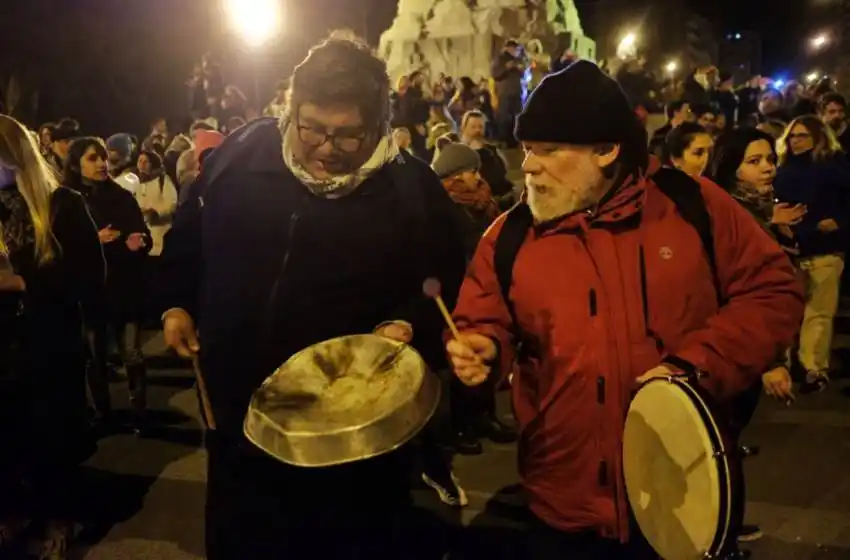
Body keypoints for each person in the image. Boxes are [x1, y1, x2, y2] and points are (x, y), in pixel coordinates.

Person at [446, 60, 804, 559]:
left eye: (548, 152)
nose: (527, 166)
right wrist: (483, 347)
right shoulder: (507, 236)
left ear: (607, 151)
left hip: (684, 489)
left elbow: (773, 291)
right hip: (562, 500)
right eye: (528, 150)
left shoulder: (691, 204)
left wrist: (692, 369)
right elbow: (483, 320)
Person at [158, 32, 467, 559]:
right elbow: (191, 232)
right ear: (292, 107)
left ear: (379, 127)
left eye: (348, 136)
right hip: (239, 425)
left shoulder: (410, 192)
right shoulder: (241, 155)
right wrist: (176, 302)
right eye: (312, 128)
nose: (325, 148)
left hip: (349, 446)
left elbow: (443, 288)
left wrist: (408, 324)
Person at [0, 114, 105, 558]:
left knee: (49, 441)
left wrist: (22, 282)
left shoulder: (63, 204)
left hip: (47, 348)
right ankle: (13, 516)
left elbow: (90, 278)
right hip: (2, 351)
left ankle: (56, 522)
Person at [63, 137, 152, 432]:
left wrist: (138, 240)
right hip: (92, 291)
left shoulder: (121, 196)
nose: (101, 163)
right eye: (92, 158)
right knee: (96, 356)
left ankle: (139, 411)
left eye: (103, 157)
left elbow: (141, 232)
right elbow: (60, 247)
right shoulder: (68, 201)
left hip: (125, 286)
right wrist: (94, 240)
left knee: (132, 353)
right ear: (76, 164)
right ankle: (104, 413)